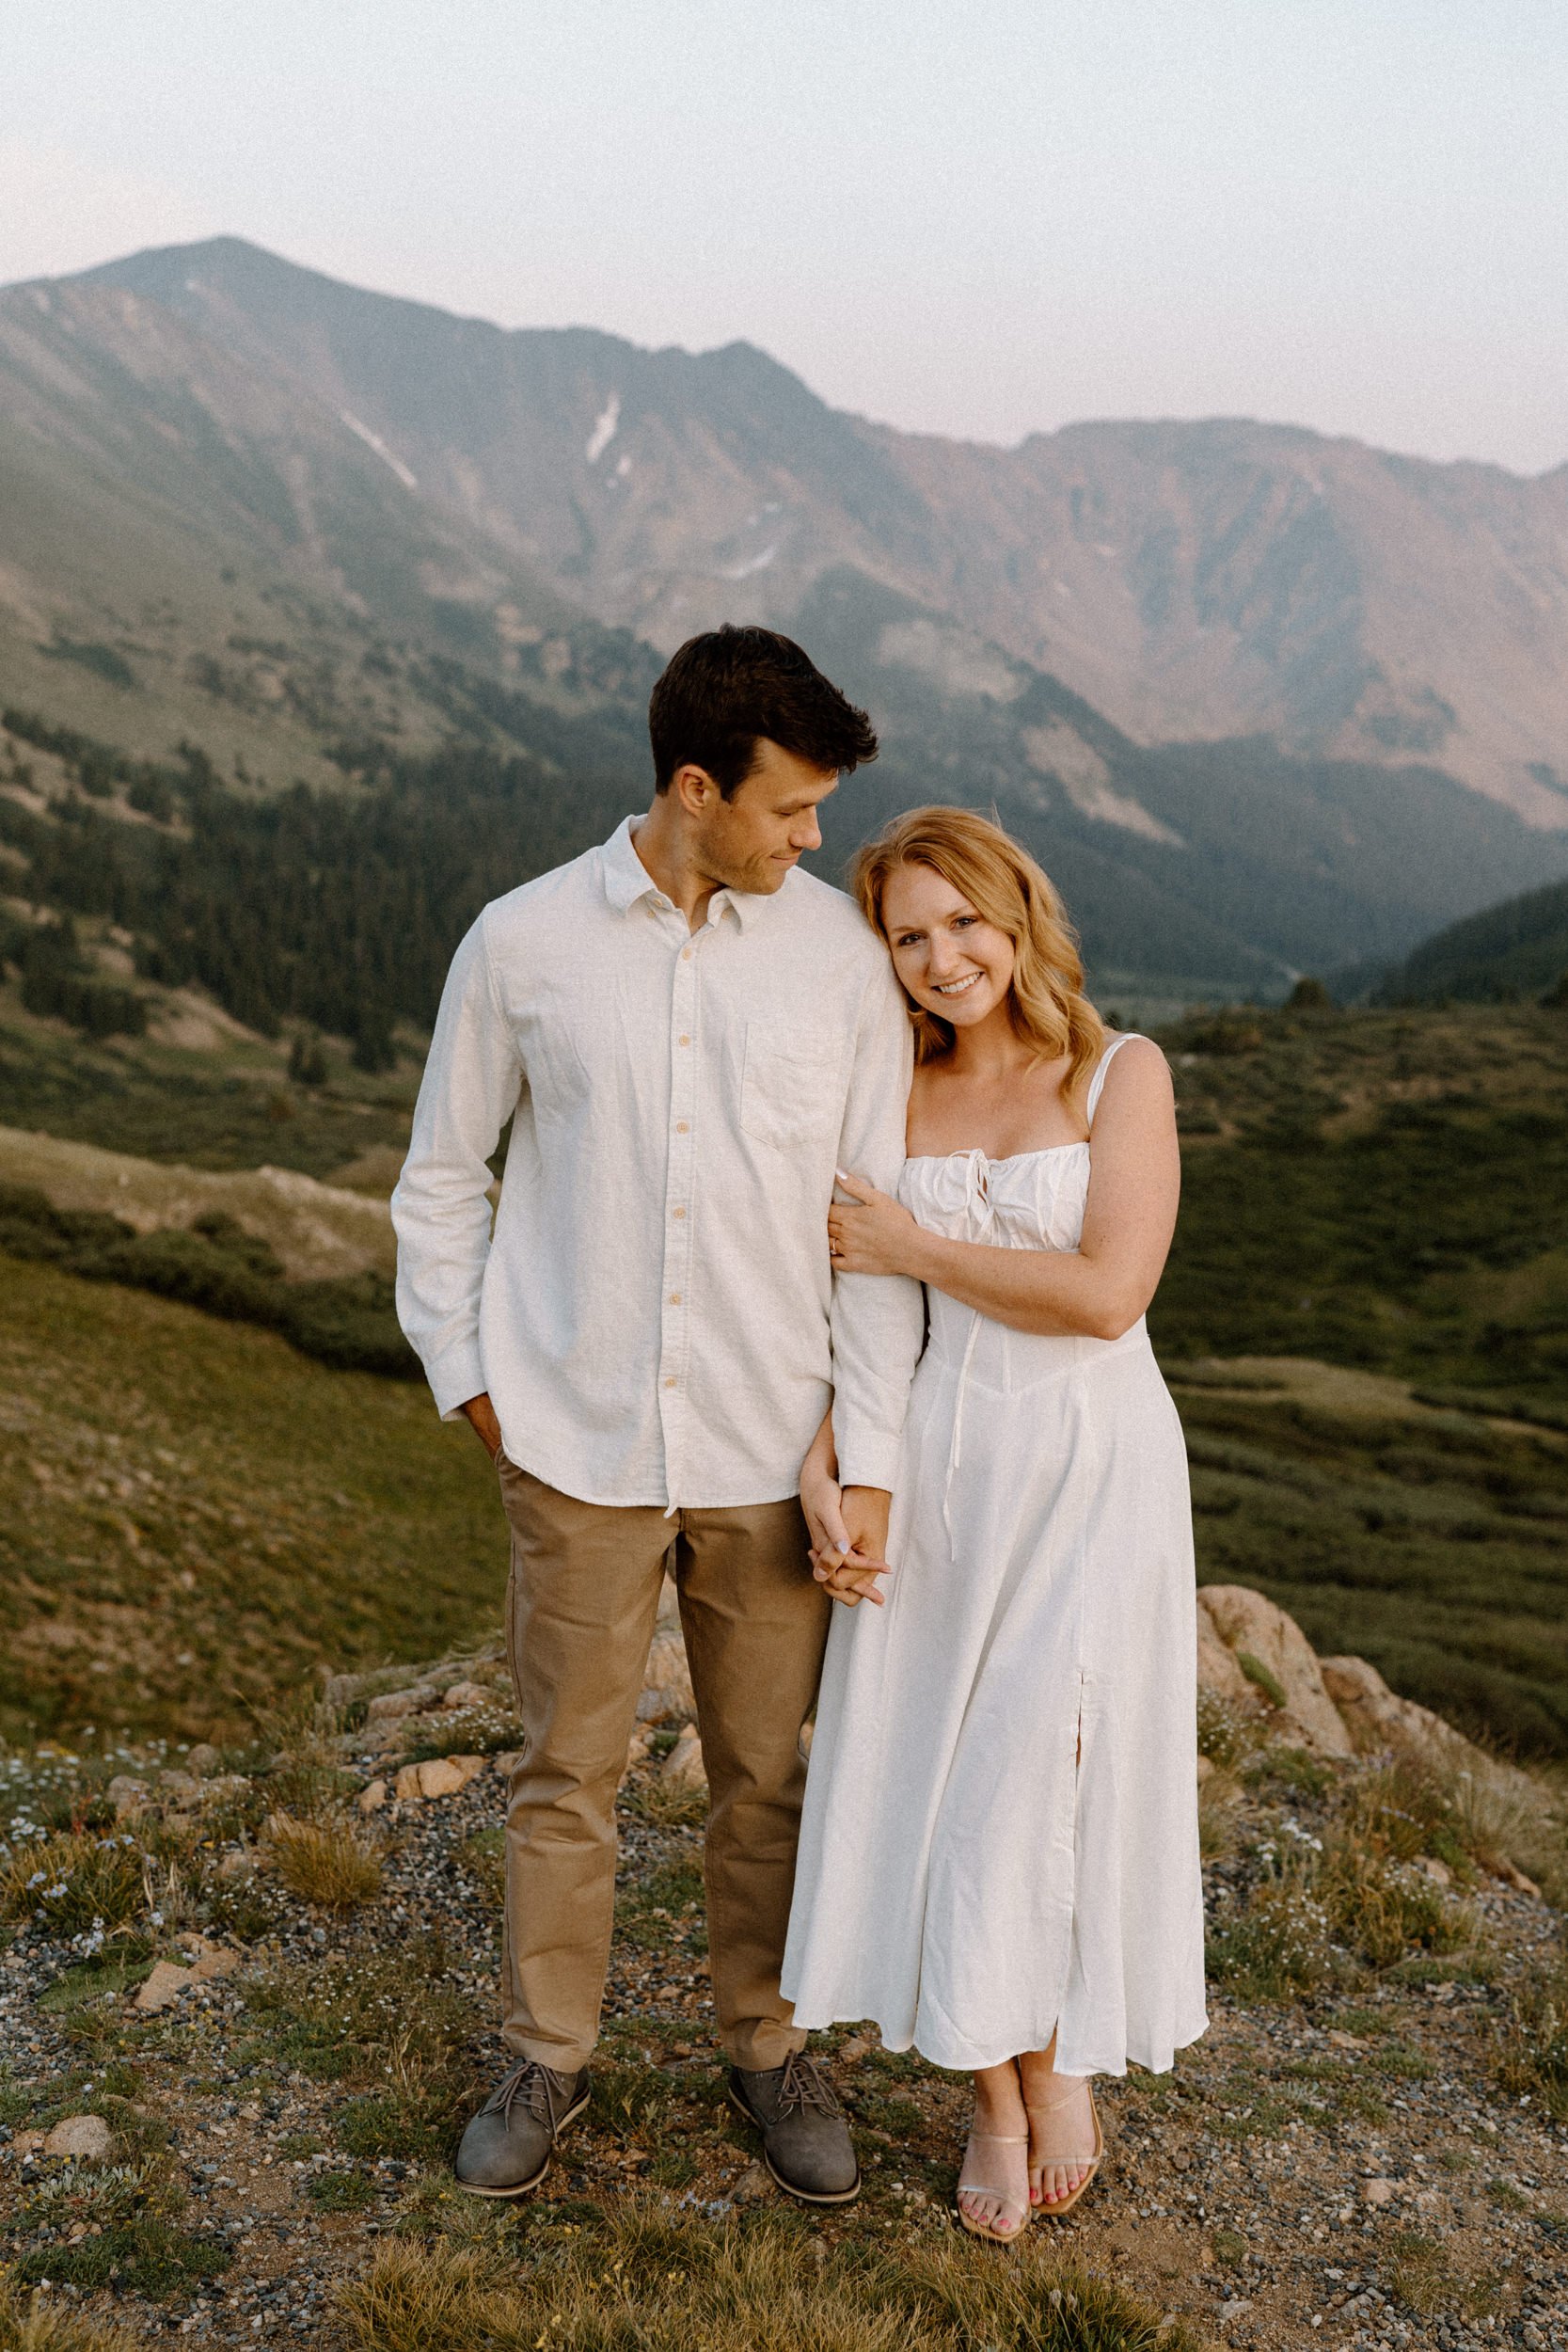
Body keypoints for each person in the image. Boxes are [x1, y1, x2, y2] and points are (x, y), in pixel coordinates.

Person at [391, 627, 924, 2205]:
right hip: (578, 1448)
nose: (813, 841)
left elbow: (871, 1225)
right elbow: (441, 1178)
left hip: (776, 1455)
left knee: (769, 1776)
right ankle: (547, 2055)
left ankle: (768, 2048)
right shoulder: (523, 943)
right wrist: (470, 1376)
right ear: (696, 789)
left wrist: (868, 1456)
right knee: (571, 1774)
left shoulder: (838, 961)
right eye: (789, 810)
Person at [781, 805, 1207, 2244]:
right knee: (935, 1779)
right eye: (909, 936)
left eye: (963, 921)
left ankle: (1063, 2057)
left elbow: (1106, 1297)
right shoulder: (892, 1087)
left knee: (1040, 1776)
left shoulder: (1118, 1073)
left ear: (1019, 917)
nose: (942, 957)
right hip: (949, 1454)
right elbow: (870, 1317)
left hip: (1091, 1461)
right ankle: (998, 2093)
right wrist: (833, 1456)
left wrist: (912, 1241)